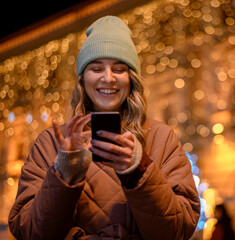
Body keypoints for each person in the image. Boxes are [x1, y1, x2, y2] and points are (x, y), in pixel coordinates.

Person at [8, 15, 200, 240]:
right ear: (82, 80)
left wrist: (140, 169)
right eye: (96, 68)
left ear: (131, 79)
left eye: (119, 69)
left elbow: (179, 230)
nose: (108, 78)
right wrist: (65, 169)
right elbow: (30, 232)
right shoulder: (50, 141)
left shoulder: (161, 137)